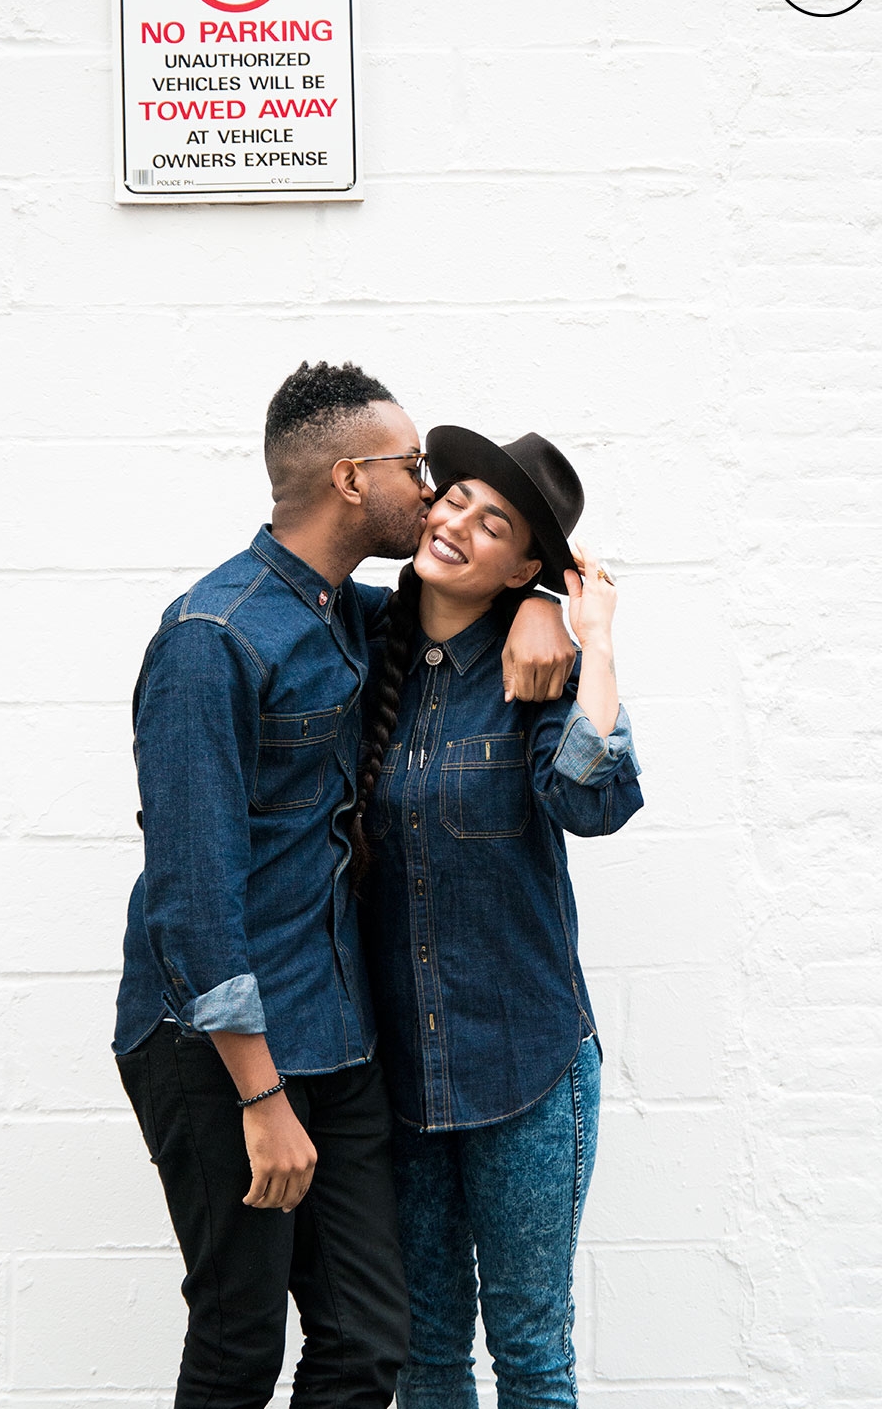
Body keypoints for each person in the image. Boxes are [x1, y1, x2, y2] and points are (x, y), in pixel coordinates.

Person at [113, 365, 578, 1409]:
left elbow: (469, 596)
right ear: (348, 477)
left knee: (373, 1342)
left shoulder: (347, 615)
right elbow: (191, 898)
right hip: (217, 1047)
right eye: (414, 468)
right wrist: (261, 1095)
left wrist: (545, 602)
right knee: (240, 1345)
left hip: (335, 1033)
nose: (431, 490)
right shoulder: (212, 638)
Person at [355, 427, 645, 1409]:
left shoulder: (540, 671)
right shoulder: (356, 649)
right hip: (393, 1076)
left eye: (497, 525)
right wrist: (539, 603)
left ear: (523, 561)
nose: (459, 526)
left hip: (527, 1066)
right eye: (456, 500)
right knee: (425, 1349)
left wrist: (583, 631)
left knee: (529, 1348)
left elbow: (591, 803)